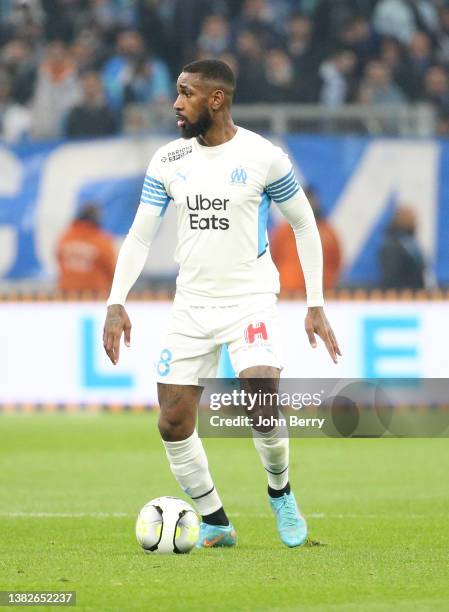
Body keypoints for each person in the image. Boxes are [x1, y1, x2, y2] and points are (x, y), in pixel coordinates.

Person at [103, 59, 341, 549]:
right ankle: (214, 519)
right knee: (171, 420)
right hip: (190, 306)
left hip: (249, 300)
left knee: (261, 398)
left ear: (216, 99)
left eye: (186, 93)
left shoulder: (263, 157)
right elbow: (140, 235)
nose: (176, 103)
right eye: (176, 92)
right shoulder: (168, 161)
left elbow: (304, 224)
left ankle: (281, 491)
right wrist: (115, 300)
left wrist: (315, 302)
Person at [271, 187, 342, 293]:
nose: (308, 204)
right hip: (288, 294)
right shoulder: (283, 232)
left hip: (320, 295)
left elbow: (336, 263)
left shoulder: (328, 233)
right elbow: (273, 259)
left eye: (310, 200)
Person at [56, 203, 116, 293]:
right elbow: (112, 270)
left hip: (66, 295)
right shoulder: (101, 241)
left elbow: (58, 258)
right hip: (95, 296)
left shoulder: (66, 237)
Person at [379, 205, 426, 289]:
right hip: (400, 295)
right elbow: (391, 275)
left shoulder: (411, 244)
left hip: (415, 293)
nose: (416, 223)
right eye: (412, 218)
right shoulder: (392, 246)